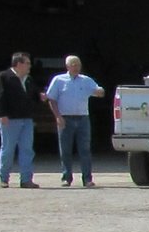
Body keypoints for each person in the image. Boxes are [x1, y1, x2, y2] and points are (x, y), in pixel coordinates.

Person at [45, 55, 107, 188]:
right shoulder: (59, 80)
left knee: (85, 149)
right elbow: (52, 99)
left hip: (83, 118)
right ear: (67, 66)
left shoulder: (86, 80)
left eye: (78, 64)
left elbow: (99, 91)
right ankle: (66, 178)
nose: (76, 67)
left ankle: (87, 179)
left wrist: (99, 91)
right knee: (65, 149)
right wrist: (58, 116)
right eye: (73, 64)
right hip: (65, 118)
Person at [0, 51, 39, 188]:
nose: (30, 66)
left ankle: (26, 179)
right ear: (18, 64)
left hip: (27, 119)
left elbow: (34, 96)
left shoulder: (28, 79)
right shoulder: (3, 77)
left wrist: (40, 96)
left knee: (27, 149)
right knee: (8, 149)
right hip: (10, 119)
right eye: (27, 63)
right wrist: (1, 114)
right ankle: (4, 178)